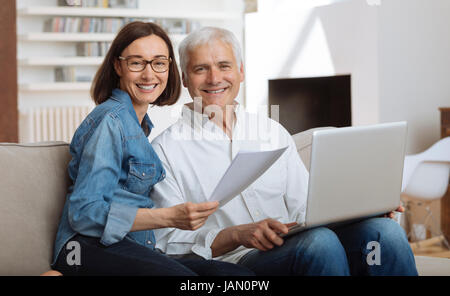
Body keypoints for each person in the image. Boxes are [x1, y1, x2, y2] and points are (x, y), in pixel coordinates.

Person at [150, 26, 419, 276]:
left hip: (294, 241)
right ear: (185, 78)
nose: (215, 78)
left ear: (241, 71)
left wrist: (363, 208)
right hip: (237, 261)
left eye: (224, 66)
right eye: (201, 69)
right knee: (319, 243)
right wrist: (235, 234)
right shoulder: (165, 150)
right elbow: (165, 242)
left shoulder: (271, 131)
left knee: (385, 233)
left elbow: (305, 210)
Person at [51, 22, 254, 276]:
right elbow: (84, 214)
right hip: (82, 250)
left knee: (236, 276)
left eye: (159, 63)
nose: (149, 75)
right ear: (118, 66)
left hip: (129, 246)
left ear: (169, 68)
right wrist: (168, 217)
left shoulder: (141, 126)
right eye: (137, 63)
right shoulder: (110, 122)